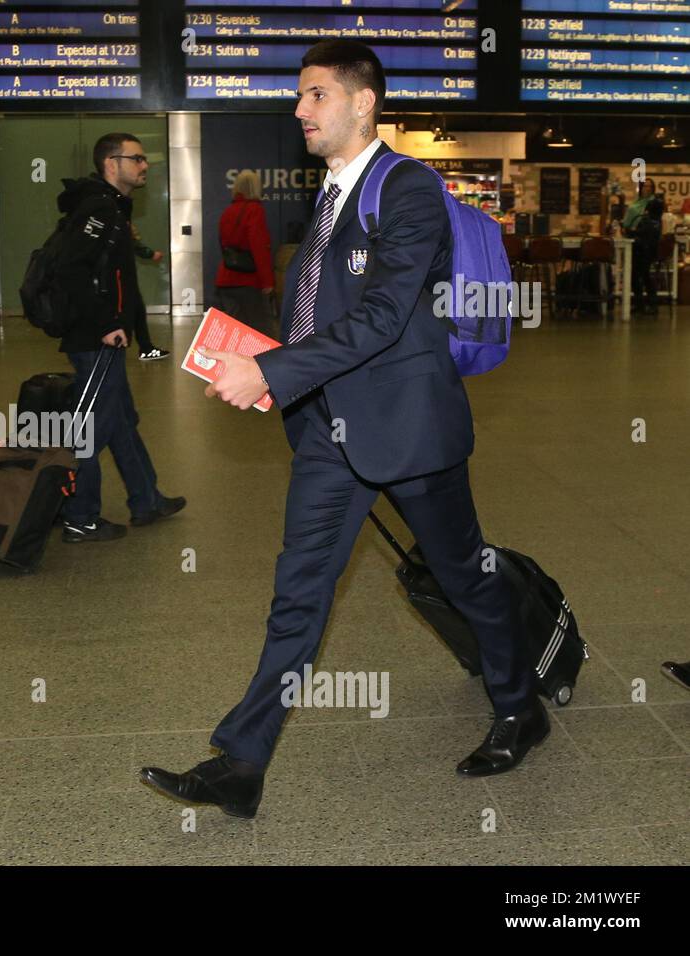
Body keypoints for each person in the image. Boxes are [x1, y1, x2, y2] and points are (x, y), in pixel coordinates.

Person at [140, 40, 543, 819]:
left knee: (466, 576)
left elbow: (387, 315)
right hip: (331, 432)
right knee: (299, 595)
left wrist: (276, 372)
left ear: (363, 103)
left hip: (409, 429)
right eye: (300, 97)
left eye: (316, 95)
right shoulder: (328, 199)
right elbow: (321, 308)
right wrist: (268, 361)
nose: (300, 111)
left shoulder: (409, 189)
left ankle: (521, 707)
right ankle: (242, 765)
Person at [52, 133, 185, 543]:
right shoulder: (98, 209)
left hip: (107, 337)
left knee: (122, 420)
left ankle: (145, 499)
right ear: (112, 164)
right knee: (93, 426)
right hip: (96, 338)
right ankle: (80, 516)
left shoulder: (109, 207)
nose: (144, 165)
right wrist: (107, 321)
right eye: (137, 159)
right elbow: (72, 269)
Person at [214, 170, 278, 338]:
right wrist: (267, 282)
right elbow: (259, 248)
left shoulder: (228, 211)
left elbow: (222, 243)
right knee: (261, 334)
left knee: (233, 333)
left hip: (226, 280)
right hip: (249, 282)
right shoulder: (255, 210)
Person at [129, 223, 169, 361]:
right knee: (137, 312)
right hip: (122, 281)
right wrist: (151, 254)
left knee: (135, 311)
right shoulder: (117, 222)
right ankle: (146, 348)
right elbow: (132, 243)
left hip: (117, 280)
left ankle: (145, 347)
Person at [630, 196, 664, 316]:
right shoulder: (658, 222)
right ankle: (651, 304)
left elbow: (637, 234)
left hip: (641, 253)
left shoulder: (647, 221)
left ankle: (640, 304)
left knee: (636, 276)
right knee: (645, 276)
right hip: (650, 253)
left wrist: (630, 231)